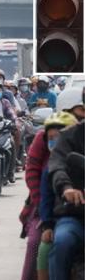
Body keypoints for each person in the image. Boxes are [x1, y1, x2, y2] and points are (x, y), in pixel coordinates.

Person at [19, 112, 78, 280]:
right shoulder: (50, 168)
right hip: (51, 213)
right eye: (51, 138)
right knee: (39, 245)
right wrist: (47, 223)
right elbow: (38, 183)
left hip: (77, 215)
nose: (55, 141)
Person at [47, 119, 84, 280]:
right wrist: (67, 188)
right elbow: (57, 167)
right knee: (62, 242)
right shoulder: (69, 136)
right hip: (75, 213)